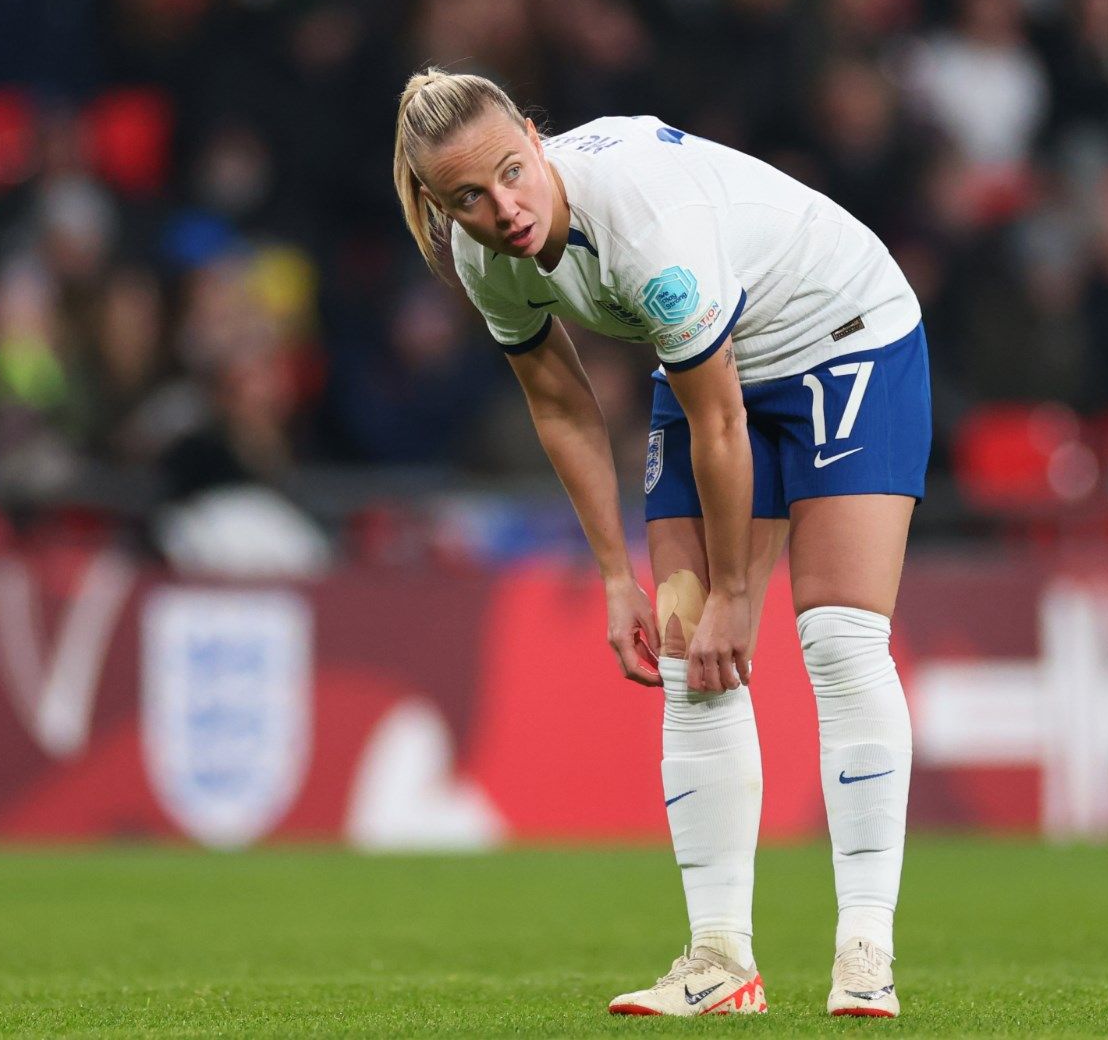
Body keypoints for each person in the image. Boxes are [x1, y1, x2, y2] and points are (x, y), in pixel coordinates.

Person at [392, 67, 928, 1018]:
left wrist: (732, 593)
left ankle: (864, 952)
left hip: (844, 332)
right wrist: (613, 574)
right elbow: (559, 402)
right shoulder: (485, 261)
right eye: (468, 199)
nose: (504, 209)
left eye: (513, 171)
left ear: (532, 131)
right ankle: (721, 960)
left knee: (839, 640)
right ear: (437, 207)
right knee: (689, 659)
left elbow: (721, 424)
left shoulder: (645, 218)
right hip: (709, 368)